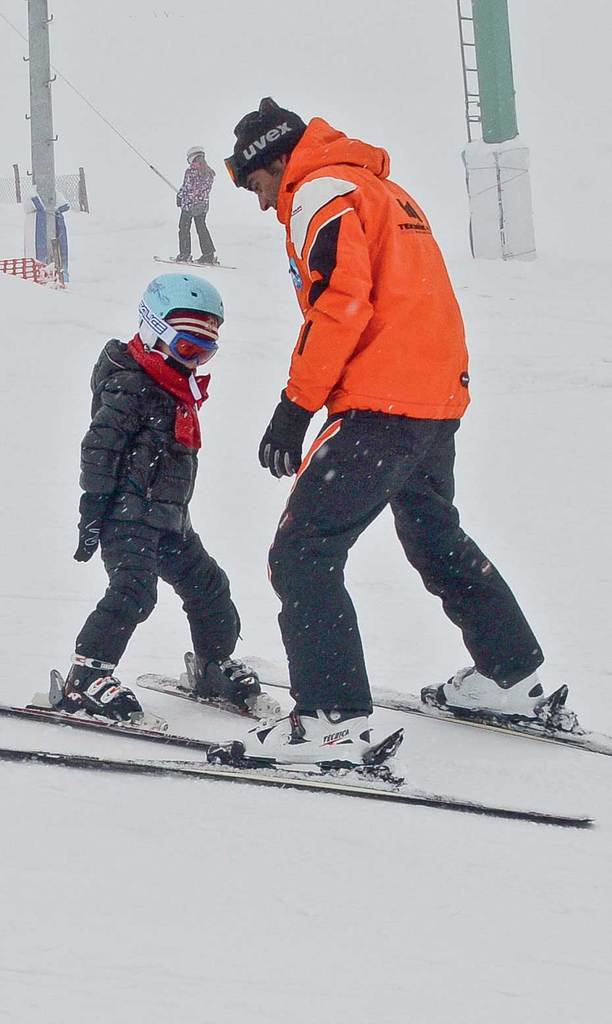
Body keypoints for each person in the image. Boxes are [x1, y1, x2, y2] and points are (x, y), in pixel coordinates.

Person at [224, 97, 570, 764]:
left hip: (381, 402)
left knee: (302, 550)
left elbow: (341, 301)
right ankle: (512, 676)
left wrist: (296, 406)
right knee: (433, 532)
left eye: (259, 186)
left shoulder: (318, 189)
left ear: (273, 159)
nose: (265, 204)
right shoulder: (384, 190)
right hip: (434, 398)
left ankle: (331, 717)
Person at [54, 272, 274, 724]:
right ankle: (86, 676)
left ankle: (213, 665)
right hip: (126, 516)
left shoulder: (174, 387)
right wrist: (92, 509)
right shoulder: (132, 383)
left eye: (206, 351)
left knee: (209, 587)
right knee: (134, 592)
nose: (195, 362)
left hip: (170, 517)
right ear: (154, 330)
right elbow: (100, 446)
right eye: (187, 348)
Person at [176, 146, 218, 265]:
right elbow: (185, 187)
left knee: (194, 229)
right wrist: (179, 196)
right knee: (189, 228)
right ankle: (192, 254)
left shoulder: (206, 173)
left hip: (195, 207)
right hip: (191, 206)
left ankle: (203, 255)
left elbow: (203, 190)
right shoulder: (191, 172)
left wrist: (195, 202)